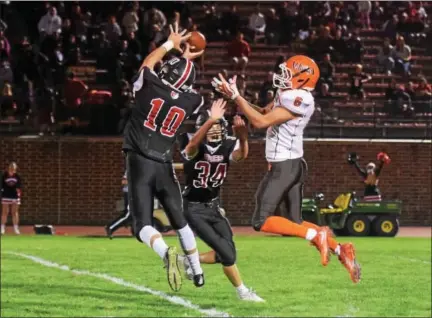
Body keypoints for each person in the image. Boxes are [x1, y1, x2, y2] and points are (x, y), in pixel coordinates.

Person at [212, 55, 361, 284]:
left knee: (260, 221)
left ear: (303, 79)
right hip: (292, 165)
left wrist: (237, 97)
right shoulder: (288, 94)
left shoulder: (299, 98)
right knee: (295, 222)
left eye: (290, 73)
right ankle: (342, 250)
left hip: (285, 167)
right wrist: (235, 97)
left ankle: (317, 235)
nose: (283, 76)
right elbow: (262, 113)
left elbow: (262, 123)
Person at [122, 22, 205, 292]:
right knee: (180, 221)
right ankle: (198, 271)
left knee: (142, 226)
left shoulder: (150, 85)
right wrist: (188, 57)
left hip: (140, 160)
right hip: (165, 164)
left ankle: (166, 254)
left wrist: (171, 43)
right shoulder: (192, 101)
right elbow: (188, 87)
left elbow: (149, 62)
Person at [176, 101, 263, 302]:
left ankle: (189, 261)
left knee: (229, 252)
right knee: (227, 254)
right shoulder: (191, 142)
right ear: (202, 128)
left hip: (214, 207)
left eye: (217, 127)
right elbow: (190, 149)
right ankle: (242, 292)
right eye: (210, 127)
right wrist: (211, 120)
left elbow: (241, 156)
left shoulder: (227, 144)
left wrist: (243, 135)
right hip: (194, 209)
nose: (214, 132)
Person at [105, 170, 132, 239]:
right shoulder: (132, 168)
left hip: (134, 194)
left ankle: (138, 232)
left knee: (130, 215)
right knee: (128, 215)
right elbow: (124, 181)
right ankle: (110, 227)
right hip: (130, 194)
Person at [1, 162, 22, 235]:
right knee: (5, 212)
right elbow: (2, 186)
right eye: (11, 167)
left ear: (15, 169)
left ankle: (16, 228)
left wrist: (18, 195)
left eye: (13, 168)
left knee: (14, 212)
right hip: (6, 195)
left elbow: (19, 187)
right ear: (9, 168)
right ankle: (2, 228)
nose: (12, 169)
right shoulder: (4, 175)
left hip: (15, 196)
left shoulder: (18, 176)